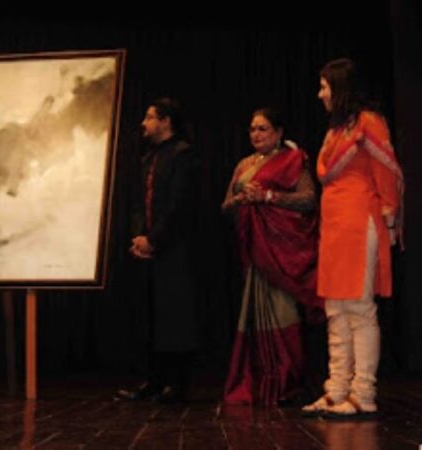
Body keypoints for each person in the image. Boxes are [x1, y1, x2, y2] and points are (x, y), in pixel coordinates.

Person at [301, 58, 403, 418]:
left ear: (341, 88)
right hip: (334, 227)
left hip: (361, 223)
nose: (320, 94)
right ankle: (337, 389)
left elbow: (388, 174)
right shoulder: (336, 130)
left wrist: (390, 223)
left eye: (325, 87)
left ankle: (364, 393)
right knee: (336, 311)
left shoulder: (368, 123)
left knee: (359, 309)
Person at [221, 107, 321, 406]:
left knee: (282, 312)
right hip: (253, 252)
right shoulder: (244, 165)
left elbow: (308, 199)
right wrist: (241, 199)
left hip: (281, 254)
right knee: (253, 316)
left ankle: (287, 382)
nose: (256, 134)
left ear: (278, 132)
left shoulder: (291, 160)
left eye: (263, 128)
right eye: (252, 129)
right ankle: (258, 380)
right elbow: (225, 206)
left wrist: (267, 197)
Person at [116, 98, 201, 404]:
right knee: (149, 315)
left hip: (174, 249)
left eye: (150, 117)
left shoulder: (183, 155)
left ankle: (175, 384)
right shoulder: (148, 158)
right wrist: (139, 236)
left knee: (174, 316)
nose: (144, 123)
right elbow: (138, 202)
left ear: (166, 122)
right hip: (150, 248)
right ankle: (152, 380)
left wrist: (155, 240)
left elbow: (179, 207)